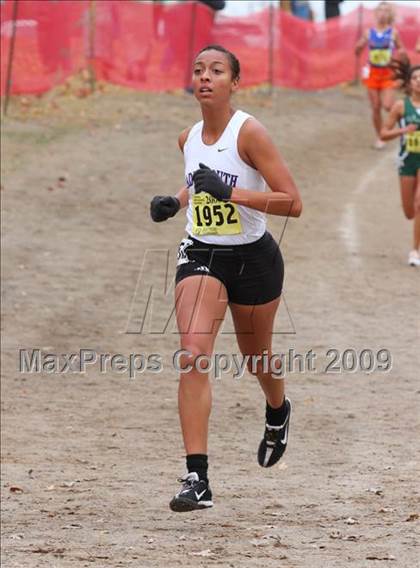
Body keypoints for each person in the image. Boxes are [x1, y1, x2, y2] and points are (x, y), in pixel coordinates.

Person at [150, 44, 302, 512]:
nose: (205, 77)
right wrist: (176, 202)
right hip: (202, 253)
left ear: (234, 82)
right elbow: (199, 178)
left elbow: (291, 202)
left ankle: (277, 409)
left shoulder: (250, 133)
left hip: (253, 259)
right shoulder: (187, 136)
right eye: (198, 70)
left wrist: (233, 193)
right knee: (193, 354)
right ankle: (197, 478)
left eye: (216, 70)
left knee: (257, 360)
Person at [380, 60, 420, 267]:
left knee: (419, 203)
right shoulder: (400, 106)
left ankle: (415, 250)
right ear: (409, 82)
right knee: (409, 212)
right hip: (407, 160)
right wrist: (404, 131)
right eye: (415, 78)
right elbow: (383, 133)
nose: (419, 81)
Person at [355, 1, 405, 149]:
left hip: (388, 73)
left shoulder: (393, 32)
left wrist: (400, 58)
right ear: (376, 13)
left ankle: (404, 120)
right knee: (375, 106)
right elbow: (358, 49)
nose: (382, 13)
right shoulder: (368, 32)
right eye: (380, 10)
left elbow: (401, 49)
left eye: (385, 11)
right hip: (372, 73)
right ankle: (380, 136)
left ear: (389, 14)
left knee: (388, 106)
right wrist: (357, 48)